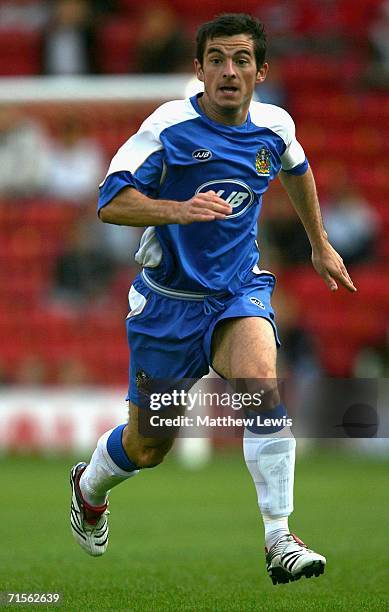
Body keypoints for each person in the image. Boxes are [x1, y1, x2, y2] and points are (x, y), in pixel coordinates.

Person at [69, 13, 356, 584]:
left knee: (261, 389)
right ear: (198, 69)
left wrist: (319, 243)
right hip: (167, 305)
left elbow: (297, 167)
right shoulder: (169, 128)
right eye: (218, 60)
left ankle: (280, 537)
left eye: (242, 60)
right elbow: (110, 201)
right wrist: (178, 208)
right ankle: (88, 489)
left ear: (261, 71)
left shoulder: (275, 126)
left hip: (236, 292)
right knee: (149, 446)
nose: (230, 71)